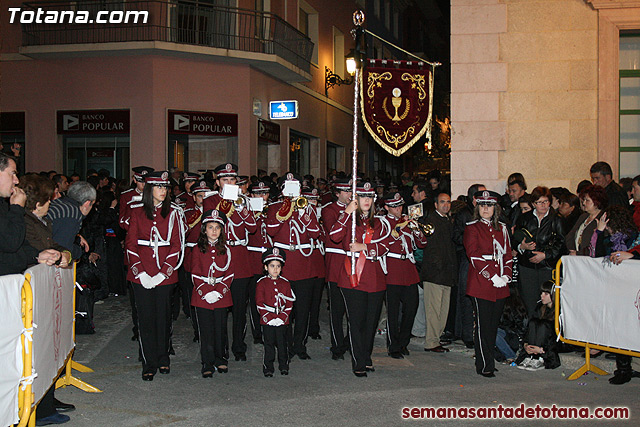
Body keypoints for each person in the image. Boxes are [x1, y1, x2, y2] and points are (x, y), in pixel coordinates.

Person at [330, 182, 395, 377]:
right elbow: (334, 236)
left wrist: (365, 247)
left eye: (370, 197)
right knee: (356, 321)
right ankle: (358, 361)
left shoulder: (381, 222)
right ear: (355, 199)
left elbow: (387, 244)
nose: (366, 200)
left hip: (374, 278)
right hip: (353, 277)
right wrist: (346, 213)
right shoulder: (348, 220)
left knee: (371, 322)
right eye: (362, 197)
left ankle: (366, 356)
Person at [125, 171, 186, 381]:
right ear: (150, 189)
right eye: (159, 187)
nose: (163, 191)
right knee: (145, 319)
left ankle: (163, 357)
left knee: (163, 317)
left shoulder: (174, 213)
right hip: (141, 274)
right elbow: (131, 245)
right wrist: (140, 272)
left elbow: (177, 245)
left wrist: (163, 274)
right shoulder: (136, 211)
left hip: (165, 275)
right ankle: (148, 361)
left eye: (165, 187)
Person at [203, 163, 257, 361]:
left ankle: (239, 346)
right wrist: (226, 203)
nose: (229, 183)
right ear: (217, 182)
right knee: (219, 306)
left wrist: (242, 207)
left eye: (232, 180)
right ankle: (220, 347)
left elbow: (252, 228)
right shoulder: (210, 201)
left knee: (240, 308)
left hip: (241, 255)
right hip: (220, 254)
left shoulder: (244, 200)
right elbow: (211, 225)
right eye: (224, 180)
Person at [265, 172, 321, 360]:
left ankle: (300, 344)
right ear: (281, 190)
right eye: (287, 187)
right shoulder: (274, 207)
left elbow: (315, 233)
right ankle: (286, 345)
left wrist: (305, 215)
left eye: (295, 187)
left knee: (303, 309)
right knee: (284, 307)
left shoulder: (308, 207)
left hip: (304, 263)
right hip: (284, 263)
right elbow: (271, 231)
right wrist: (283, 214)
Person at [464, 190, 513, 378]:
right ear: (478, 207)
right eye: (482, 205)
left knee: (493, 325)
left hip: (500, 283)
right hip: (481, 282)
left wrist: (506, 276)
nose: (486, 208)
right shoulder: (472, 228)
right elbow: (473, 255)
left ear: (495, 208)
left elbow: (508, 254)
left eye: (490, 205)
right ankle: (484, 364)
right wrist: (492, 276)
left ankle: (489, 360)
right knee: (483, 325)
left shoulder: (502, 228)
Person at [382, 192, 428, 359]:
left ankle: (403, 342)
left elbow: (422, 244)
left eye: (400, 205)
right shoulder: (382, 222)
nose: (398, 209)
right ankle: (393, 346)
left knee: (411, 308)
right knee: (393, 312)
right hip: (392, 270)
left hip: (409, 270)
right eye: (394, 206)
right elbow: (383, 243)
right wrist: (398, 228)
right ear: (387, 207)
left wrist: (416, 229)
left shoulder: (408, 222)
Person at [190, 209, 234, 378]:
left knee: (220, 328)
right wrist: (205, 292)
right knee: (206, 329)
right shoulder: (197, 249)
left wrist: (219, 292)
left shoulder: (227, 250)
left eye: (217, 227)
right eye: (210, 227)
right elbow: (194, 273)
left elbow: (229, 273)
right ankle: (207, 362)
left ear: (222, 230)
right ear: (204, 230)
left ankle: (220, 358)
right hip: (203, 296)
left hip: (221, 296)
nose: (214, 231)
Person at [513, 186, 566, 316]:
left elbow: (561, 243)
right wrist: (522, 247)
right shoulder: (525, 218)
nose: (543, 205)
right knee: (528, 301)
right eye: (539, 202)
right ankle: (531, 331)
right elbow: (515, 238)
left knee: (548, 301)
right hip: (527, 265)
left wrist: (545, 255)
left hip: (546, 266)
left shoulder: (557, 219)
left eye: (546, 201)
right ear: (533, 204)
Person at [420, 192, 457, 353]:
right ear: (435, 204)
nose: (446, 205)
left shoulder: (447, 221)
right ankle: (431, 341)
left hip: (446, 273)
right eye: (442, 202)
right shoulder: (431, 221)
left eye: (448, 202)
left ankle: (436, 339)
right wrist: (439, 266)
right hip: (435, 273)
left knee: (443, 310)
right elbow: (432, 249)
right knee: (434, 310)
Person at [450, 184, 486, 348]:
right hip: (467, 260)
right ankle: (467, 335)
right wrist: (471, 240)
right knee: (466, 297)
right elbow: (456, 236)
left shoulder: (487, 213)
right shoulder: (464, 214)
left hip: (484, 261)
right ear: (474, 199)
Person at [321, 178, 352, 360]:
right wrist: (347, 213)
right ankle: (337, 346)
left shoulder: (356, 211)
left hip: (352, 263)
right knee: (337, 310)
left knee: (353, 309)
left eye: (350, 191)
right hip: (336, 264)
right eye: (346, 192)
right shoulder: (329, 210)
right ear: (338, 193)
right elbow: (333, 232)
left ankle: (349, 341)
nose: (349, 195)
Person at [256, 247, 296, 377]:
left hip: (281, 318)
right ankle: (268, 366)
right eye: (272, 266)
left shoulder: (285, 283)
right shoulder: (261, 283)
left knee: (282, 343)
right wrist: (268, 317)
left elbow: (289, 303)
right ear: (266, 267)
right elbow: (259, 302)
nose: (275, 269)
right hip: (268, 319)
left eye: (278, 266)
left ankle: (284, 365)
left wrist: (283, 317)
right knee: (268, 344)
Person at [246, 180, 272, 345]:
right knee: (256, 297)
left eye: (265, 193)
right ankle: (257, 332)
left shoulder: (275, 210)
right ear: (252, 195)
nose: (262, 196)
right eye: (258, 193)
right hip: (253, 259)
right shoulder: (248, 211)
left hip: (271, 259)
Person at [516, 280, 561, 371]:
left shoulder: (560, 310)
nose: (542, 296)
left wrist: (541, 350)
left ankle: (539, 357)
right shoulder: (540, 307)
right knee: (534, 322)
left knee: (544, 324)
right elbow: (530, 327)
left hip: (554, 342)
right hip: (538, 342)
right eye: (541, 293)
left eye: (546, 294)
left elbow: (556, 334)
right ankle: (531, 354)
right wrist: (526, 345)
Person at [565, 185, 607, 256]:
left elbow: (599, 245)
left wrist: (578, 253)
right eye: (583, 200)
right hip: (576, 257)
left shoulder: (603, 219)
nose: (584, 203)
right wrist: (572, 250)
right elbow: (571, 235)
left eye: (587, 200)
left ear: (597, 202)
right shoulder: (583, 216)